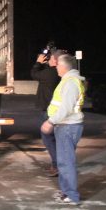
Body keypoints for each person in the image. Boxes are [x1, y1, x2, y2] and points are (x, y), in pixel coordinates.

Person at [41, 54, 85, 205]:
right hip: (65, 126)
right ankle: (66, 191)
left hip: (68, 126)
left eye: (58, 64)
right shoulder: (67, 81)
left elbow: (66, 108)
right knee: (63, 162)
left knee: (66, 162)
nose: (56, 67)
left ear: (65, 66)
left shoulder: (71, 83)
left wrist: (50, 121)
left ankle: (72, 195)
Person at [31, 49, 65, 177]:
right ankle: (58, 164)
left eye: (50, 58)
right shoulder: (59, 73)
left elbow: (34, 74)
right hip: (59, 110)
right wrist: (44, 64)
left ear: (55, 61)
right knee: (57, 139)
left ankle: (57, 165)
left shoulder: (50, 74)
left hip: (50, 111)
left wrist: (38, 62)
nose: (48, 59)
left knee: (48, 138)